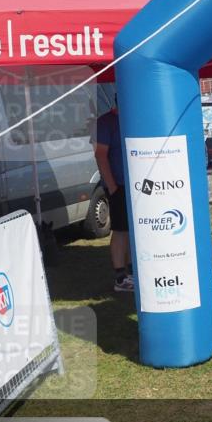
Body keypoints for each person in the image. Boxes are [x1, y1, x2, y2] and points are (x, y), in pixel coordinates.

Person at [92, 105, 133, 292]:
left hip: (136, 185)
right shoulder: (105, 122)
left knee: (132, 230)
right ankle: (120, 278)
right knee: (120, 230)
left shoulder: (132, 117)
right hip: (118, 185)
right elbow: (100, 155)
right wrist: (112, 187)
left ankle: (132, 272)